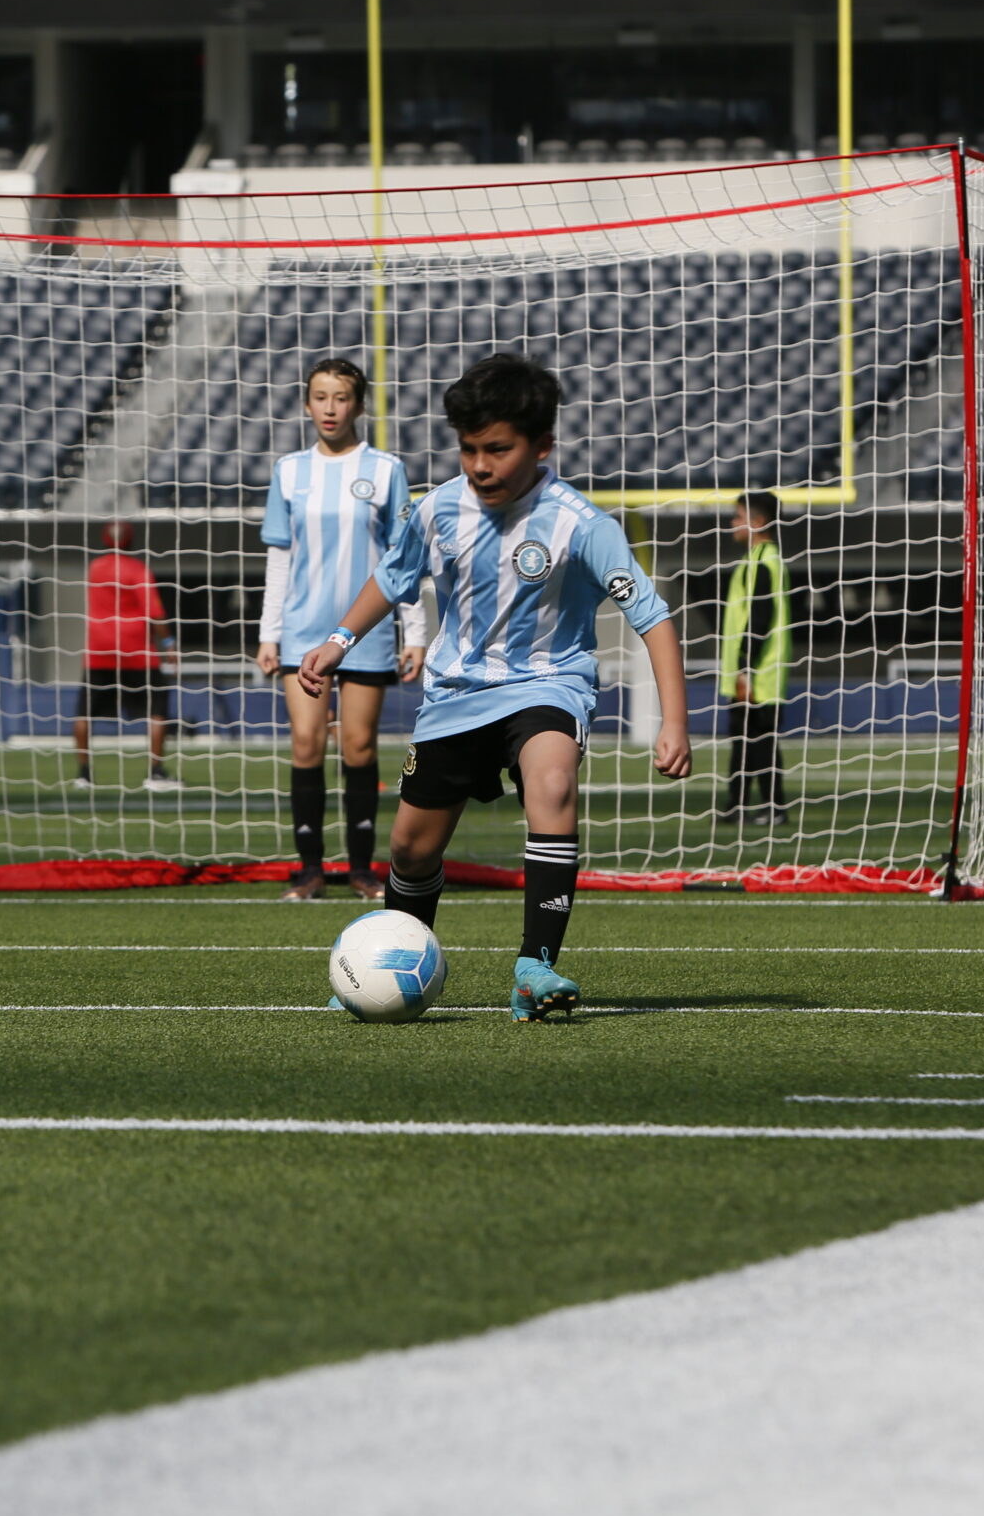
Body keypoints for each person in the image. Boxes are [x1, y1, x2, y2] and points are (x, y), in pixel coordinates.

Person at [299, 352, 691, 1021]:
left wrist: (674, 722)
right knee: (409, 849)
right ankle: (394, 951)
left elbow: (651, 617)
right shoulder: (437, 510)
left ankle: (535, 966)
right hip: (455, 697)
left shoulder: (581, 524)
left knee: (553, 782)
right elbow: (392, 581)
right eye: (470, 448)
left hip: (548, 685)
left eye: (499, 450)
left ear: (541, 446)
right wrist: (337, 641)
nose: (481, 464)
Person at [255, 356, 427, 901]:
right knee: (306, 742)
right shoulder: (288, 471)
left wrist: (415, 632)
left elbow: (406, 558)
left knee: (358, 747)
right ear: (307, 404)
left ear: (358, 404)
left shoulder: (385, 470)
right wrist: (269, 633)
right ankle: (308, 871)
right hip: (303, 631)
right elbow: (279, 560)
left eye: (341, 397)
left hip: (369, 633)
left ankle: (360, 868)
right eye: (320, 397)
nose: (330, 408)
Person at [73, 520, 179, 791]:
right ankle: (155, 773)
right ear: (132, 541)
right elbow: (155, 612)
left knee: (85, 712)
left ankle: (83, 774)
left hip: (98, 651)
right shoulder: (137, 570)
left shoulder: (94, 569)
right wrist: (168, 643)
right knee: (157, 710)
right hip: (137, 653)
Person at [718, 489, 791, 826]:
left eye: (738, 516)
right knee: (747, 742)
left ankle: (772, 808)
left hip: (759, 673)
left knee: (758, 743)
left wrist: (745, 669)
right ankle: (739, 806)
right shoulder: (762, 560)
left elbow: (759, 619)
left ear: (757, 522)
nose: (732, 523)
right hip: (758, 671)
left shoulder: (762, 562)